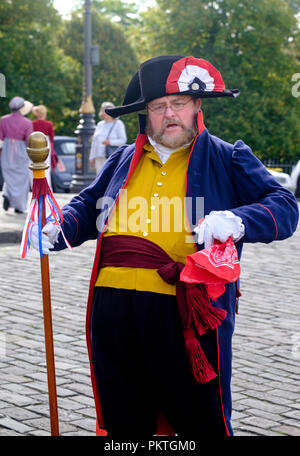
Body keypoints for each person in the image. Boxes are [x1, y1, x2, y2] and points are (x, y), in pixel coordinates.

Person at [29, 55, 299, 437]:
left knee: (198, 422)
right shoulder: (123, 159)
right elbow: (87, 206)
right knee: (124, 424)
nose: (169, 114)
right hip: (113, 311)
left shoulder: (228, 156)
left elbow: (284, 207)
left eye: (178, 104)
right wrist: (59, 227)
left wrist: (238, 221)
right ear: (145, 115)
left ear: (196, 107)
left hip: (184, 313)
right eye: (159, 106)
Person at [0, 96, 33, 213]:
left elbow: (1, 137)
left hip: (7, 149)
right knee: (22, 178)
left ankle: (7, 194)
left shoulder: (3, 119)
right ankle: (19, 206)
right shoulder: (27, 122)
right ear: (22, 107)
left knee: (8, 175)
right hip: (21, 150)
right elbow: (29, 140)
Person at [89, 101, 127, 175]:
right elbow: (94, 142)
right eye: (102, 111)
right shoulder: (100, 124)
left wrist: (110, 142)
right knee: (99, 177)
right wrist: (92, 157)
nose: (103, 113)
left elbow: (123, 140)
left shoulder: (118, 124)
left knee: (109, 177)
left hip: (111, 156)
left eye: (105, 111)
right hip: (98, 157)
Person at [32, 105, 57, 190]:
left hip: (35, 146)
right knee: (46, 168)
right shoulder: (49, 124)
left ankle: (36, 188)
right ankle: (47, 188)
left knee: (35, 167)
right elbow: (52, 137)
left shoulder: (33, 124)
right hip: (46, 145)